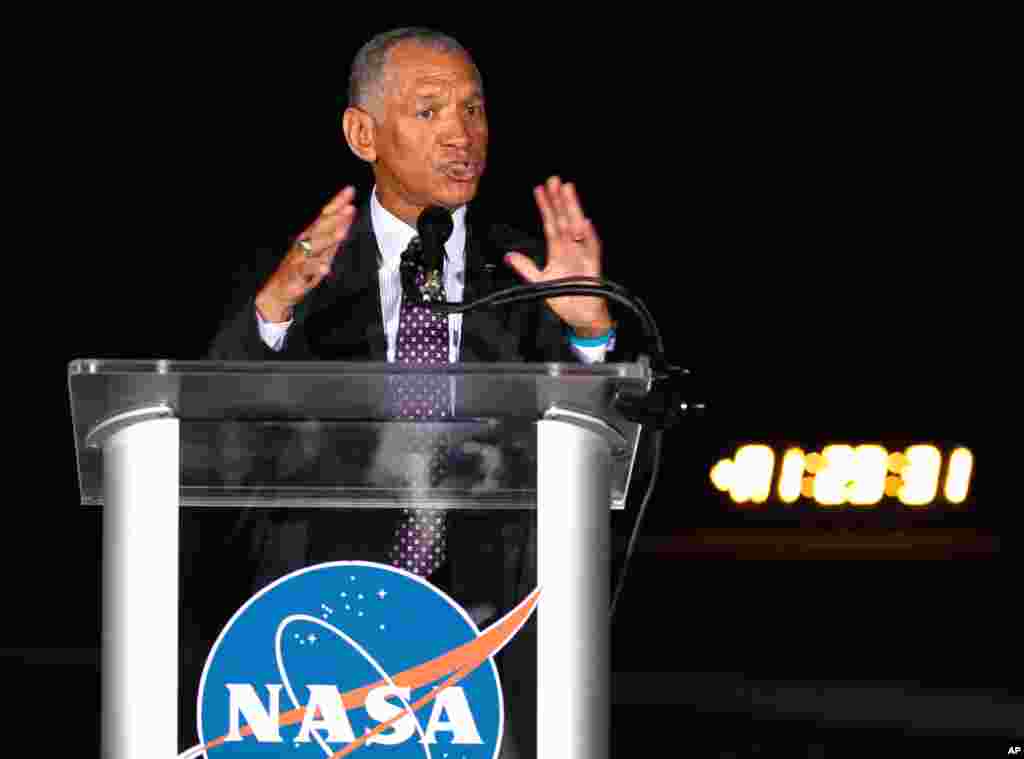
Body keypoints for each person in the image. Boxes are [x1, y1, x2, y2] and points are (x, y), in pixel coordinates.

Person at [189, 27, 621, 757]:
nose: (462, 135)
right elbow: (214, 442)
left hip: (488, 646)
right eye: (429, 112)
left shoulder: (528, 273)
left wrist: (588, 333)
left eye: (474, 111)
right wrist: (274, 314)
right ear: (363, 133)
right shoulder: (285, 268)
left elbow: (600, 457)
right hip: (310, 645)